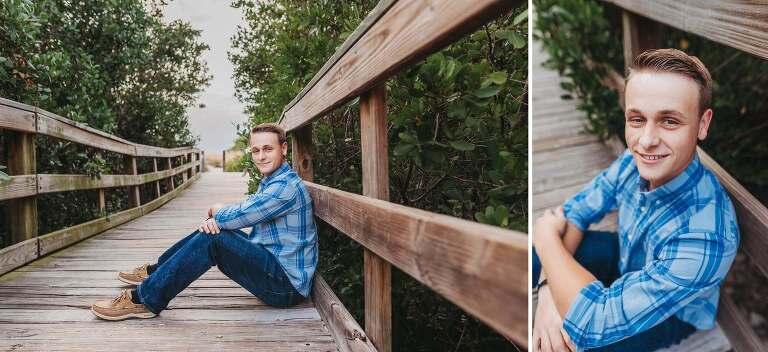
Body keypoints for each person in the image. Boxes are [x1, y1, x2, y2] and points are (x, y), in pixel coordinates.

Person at [532, 49, 739, 351]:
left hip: (670, 313)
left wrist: (546, 236)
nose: (646, 141)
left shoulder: (707, 235)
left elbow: (593, 323)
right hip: (627, 258)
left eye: (669, 121)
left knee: (574, 342)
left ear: (702, 124)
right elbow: (577, 211)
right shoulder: (633, 160)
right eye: (637, 119)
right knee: (531, 255)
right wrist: (548, 294)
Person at [91, 123, 318, 320]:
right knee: (213, 233)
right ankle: (156, 272)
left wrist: (216, 210)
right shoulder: (274, 180)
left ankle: (144, 299)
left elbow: (239, 216)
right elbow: (243, 213)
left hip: (284, 286)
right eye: (256, 150)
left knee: (213, 237)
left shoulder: (284, 188)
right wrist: (219, 220)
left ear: (284, 148)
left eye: (268, 149)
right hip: (276, 270)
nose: (261, 156)